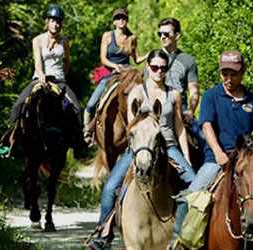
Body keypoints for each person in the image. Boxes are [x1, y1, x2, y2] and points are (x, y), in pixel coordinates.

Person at [178, 50, 253, 246]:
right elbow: (206, 125)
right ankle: (179, 242)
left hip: (247, 161)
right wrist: (219, 153)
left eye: (233, 74)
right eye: (225, 73)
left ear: (242, 72)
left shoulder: (252, 100)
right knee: (190, 198)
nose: (228, 78)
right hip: (217, 160)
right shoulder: (212, 95)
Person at [88, 51, 196, 250]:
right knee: (110, 188)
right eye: (154, 67)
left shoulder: (173, 94)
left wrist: (186, 158)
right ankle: (103, 233)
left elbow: (179, 127)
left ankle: (183, 235)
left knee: (195, 186)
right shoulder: (137, 92)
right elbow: (131, 126)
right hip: (140, 147)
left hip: (168, 147)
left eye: (163, 68)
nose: (159, 72)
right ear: (148, 67)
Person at [13, 4, 81, 123]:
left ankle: (79, 140)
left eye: (59, 22)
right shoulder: (37, 40)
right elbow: (38, 63)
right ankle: (11, 138)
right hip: (39, 80)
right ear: (47, 22)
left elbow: (67, 61)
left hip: (59, 81)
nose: (56, 25)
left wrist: (62, 76)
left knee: (76, 108)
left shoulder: (64, 41)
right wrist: (42, 76)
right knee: (17, 106)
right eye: (53, 21)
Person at [83, 7, 141, 143]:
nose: (121, 20)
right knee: (92, 104)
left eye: (123, 18)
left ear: (127, 20)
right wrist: (114, 66)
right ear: (114, 22)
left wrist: (149, 55)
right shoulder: (107, 36)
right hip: (110, 72)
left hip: (127, 73)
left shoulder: (132, 38)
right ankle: (88, 130)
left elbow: (136, 59)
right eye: (118, 18)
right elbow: (103, 58)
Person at [147, 18, 201, 133]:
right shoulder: (153, 58)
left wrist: (191, 110)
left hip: (181, 110)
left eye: (166, 34)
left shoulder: (188, 60)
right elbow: (144, 87)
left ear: (177, 36)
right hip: (156, 109)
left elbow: (194, 90)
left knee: (204, 140)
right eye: (160, 34)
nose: (162, 37)